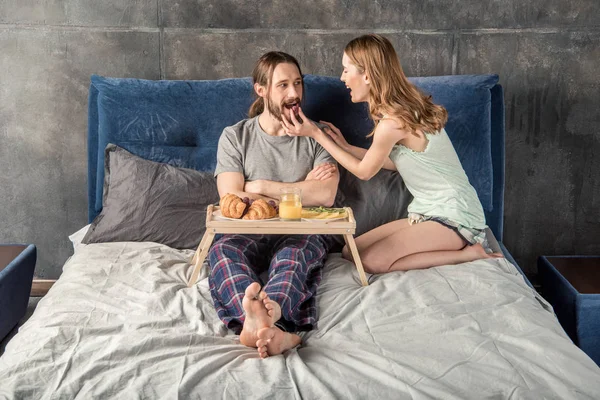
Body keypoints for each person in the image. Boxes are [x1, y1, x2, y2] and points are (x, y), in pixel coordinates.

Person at [281, 34, 503, 274]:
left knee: (370, 262)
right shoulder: (399, 112)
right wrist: (344, 146)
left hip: (455, 217)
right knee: (350, 251)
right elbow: (396, 163)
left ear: (367, 75)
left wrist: (317, 134)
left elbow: (365, 172)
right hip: (428, 212)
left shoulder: (393, 122)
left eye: (346, 70)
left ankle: (470, 254)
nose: (342, 78)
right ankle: (462, 249)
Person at [208, 51, 340, 358]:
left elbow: (325, 195)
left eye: (297, 83)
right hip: (247, 230)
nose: (294, 94)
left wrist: (261, 187)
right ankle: (265, 322)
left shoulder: (313, 134)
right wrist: (299, 189)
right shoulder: (235, 136)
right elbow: (231, 199)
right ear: (261, 89)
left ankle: (266, 318)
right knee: (223, 252)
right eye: (283, 85)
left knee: (294, 259)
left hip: (300, 229)